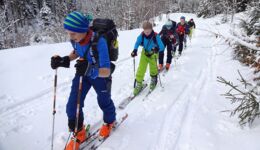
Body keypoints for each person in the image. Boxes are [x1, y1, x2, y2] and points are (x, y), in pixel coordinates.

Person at [50, 11, 116, 150]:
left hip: (99, 75)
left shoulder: (100, 42)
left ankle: (109, 122)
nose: (70, 37)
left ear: (83, 31)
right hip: (83, 73)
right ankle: (79, 132)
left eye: (73, 33)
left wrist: (91, 70)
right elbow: (77, 51)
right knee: (72, 105)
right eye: (68, 33)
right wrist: (64, 59)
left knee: (104, 101)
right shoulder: (75, 39)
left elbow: (107, 70)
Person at [131, 21, 164, 95]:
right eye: (145, 31)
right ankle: (139, 83)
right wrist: (135, 50)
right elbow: (137, 42)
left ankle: (154, 79)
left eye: (148, 31)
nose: (147, 33)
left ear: (151, 29)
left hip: (153, 53)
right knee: (141, 68)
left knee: (153, 68)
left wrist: (157, 49)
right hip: (145, 53)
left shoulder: (156, 36)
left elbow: (162, 46)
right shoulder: (142, 35)